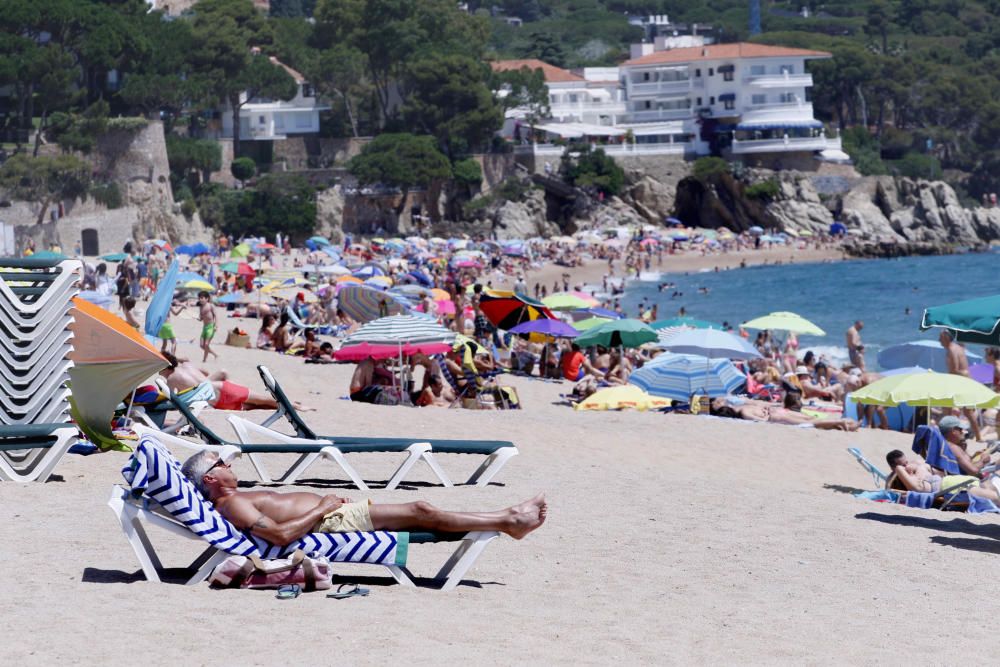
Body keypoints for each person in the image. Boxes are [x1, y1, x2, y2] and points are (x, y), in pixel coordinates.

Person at [181, 450, 546, 546]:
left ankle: (507, 517)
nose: (230, 464)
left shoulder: (234, 499)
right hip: (331, 522)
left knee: (422, 510)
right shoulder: (231, 504)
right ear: (212, 478)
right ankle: (509, 520)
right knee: (422, 509)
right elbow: (279, 536)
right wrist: (322, 507)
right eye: (223, 462)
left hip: (333, 515)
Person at [160, 352, 291, 411]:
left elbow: (171, 402)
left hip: (217, 401)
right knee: (263, 400)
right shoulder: (187, 365)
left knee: (256, 406)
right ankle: (292, 405)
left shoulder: (171, 380)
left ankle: (291, 406)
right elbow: (205, 372)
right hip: (222, 387)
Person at [885, 449, 998, 500]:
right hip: (955, 489)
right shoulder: (910, 482)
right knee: (995, 496)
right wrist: (901, 469)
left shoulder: (916, 467)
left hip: (958, 481)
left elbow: (922, 465)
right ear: (893, 468)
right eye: (902, 465)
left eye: (906, 462)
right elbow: (891, 488)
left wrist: (912, 467)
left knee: (991, 487)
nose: (906, 467)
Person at [940, 330, 984, 441]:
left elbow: (954, 369)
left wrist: (945, 380)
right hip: (965, 381)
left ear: (946, 338)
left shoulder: (951, 349)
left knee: (947, 407)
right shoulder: (958, 347)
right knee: (967, 411)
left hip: (959, 381)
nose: (939, 340)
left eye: (940, 337)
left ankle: (946, 435)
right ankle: (979, 436)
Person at [197, 290, 218, 363]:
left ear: (207, 299)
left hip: (211, 327)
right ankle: (215, 354)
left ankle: (204, 359)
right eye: (199, 298)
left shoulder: (210, 305)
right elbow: (201, 318)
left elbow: (215, 316)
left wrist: (216, 325)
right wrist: (199, 318)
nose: (200, 299)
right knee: (201, 345)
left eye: (202, 298)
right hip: (204, 327)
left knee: (206, 344)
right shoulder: (200, 307)